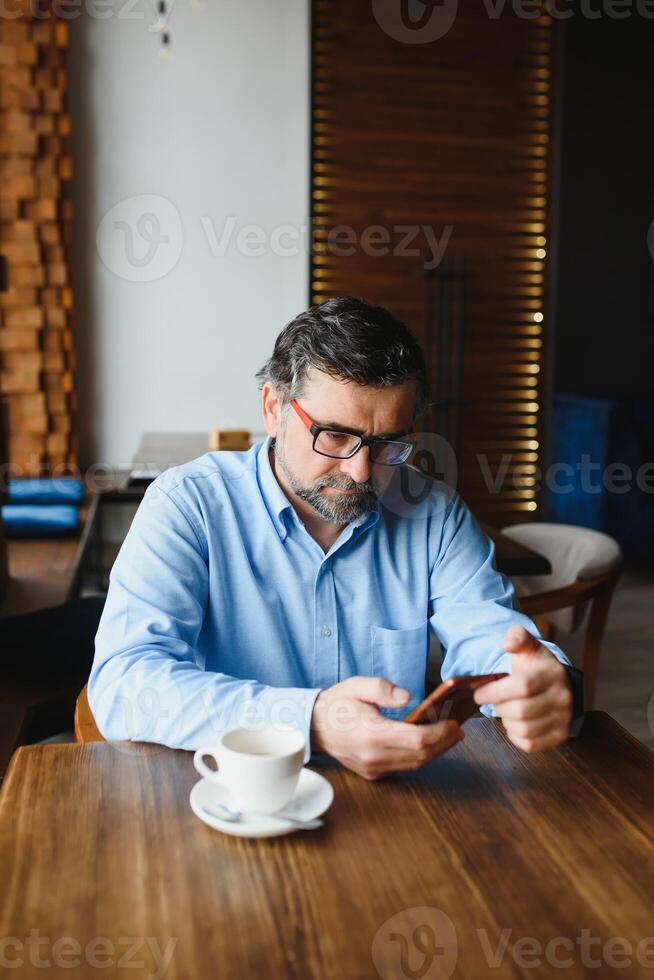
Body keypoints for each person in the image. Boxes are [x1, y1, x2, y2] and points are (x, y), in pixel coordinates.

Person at [89, 297, 582, 780]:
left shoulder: (434, 514)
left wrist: (543, 685)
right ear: (272, 409)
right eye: (335, 435)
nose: (360, 470)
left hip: (394, 805)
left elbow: (494, 643)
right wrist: (310, 722)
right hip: (234, 798)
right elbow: (125, 683)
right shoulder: (188, 504)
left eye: (388, 443)